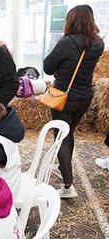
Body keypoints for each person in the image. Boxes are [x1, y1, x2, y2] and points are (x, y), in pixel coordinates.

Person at [44, 5, 104, 198]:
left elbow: (47, 67)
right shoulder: (98, 44)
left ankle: (68, 186)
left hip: (64, 98)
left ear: (72, 21)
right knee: (68, 134)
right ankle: (63, 165)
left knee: (61, 137)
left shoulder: (67, 42)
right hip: (85, 98)